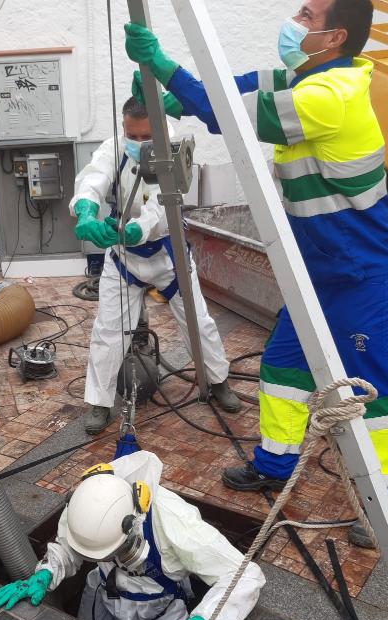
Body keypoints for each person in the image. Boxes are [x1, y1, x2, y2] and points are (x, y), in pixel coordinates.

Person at [125, 0, 388, 548]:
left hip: (358, 272)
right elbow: (237, 85)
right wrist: (179, 94)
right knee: (282, 369)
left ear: (334, 39)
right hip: (319, 269)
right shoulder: (306, 73)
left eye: (307, 16)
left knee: (379, 390)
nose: (294, 20)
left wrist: (166, 67)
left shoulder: (332, 96)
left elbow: (233, 118)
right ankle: (275, 464)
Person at [0, 451, 265, 620]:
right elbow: (70, 546)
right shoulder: (89, 501)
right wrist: (46, 574)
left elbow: (245, 575)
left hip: (162, 607)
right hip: (103, 594)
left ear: (132, 527)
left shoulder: (175, 522)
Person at [69, 97, 241, 436]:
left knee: (198, 324)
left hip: (168, 257)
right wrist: (87, 210)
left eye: (144, 136)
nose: (135, 144)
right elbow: (93, 178)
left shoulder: (175, 154)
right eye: (130, 135)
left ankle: (217, 380)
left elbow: (162, 205)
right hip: (123, 260)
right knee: (108, 331)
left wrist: (136, 229)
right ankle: (100, 402)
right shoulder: (114, 149)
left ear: (161, 129)